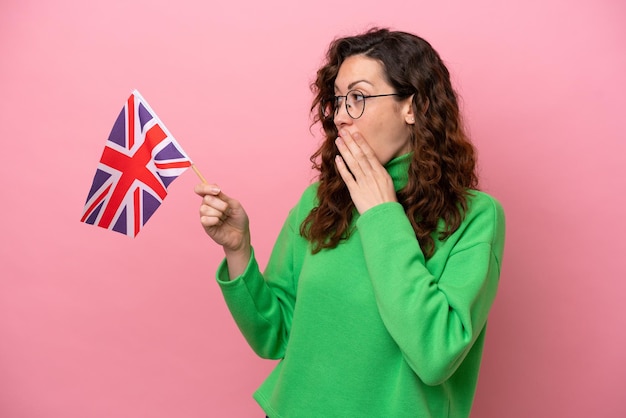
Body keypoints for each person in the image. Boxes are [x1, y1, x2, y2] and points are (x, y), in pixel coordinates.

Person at [195, 27, 505, 418]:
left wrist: (381, 215)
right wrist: (237, 249)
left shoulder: (475, 216)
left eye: (357, 97)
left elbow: (436, 355)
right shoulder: (319, 201)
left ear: (412, 106)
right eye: (338, 100)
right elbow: (273, 336)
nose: (341, 116)